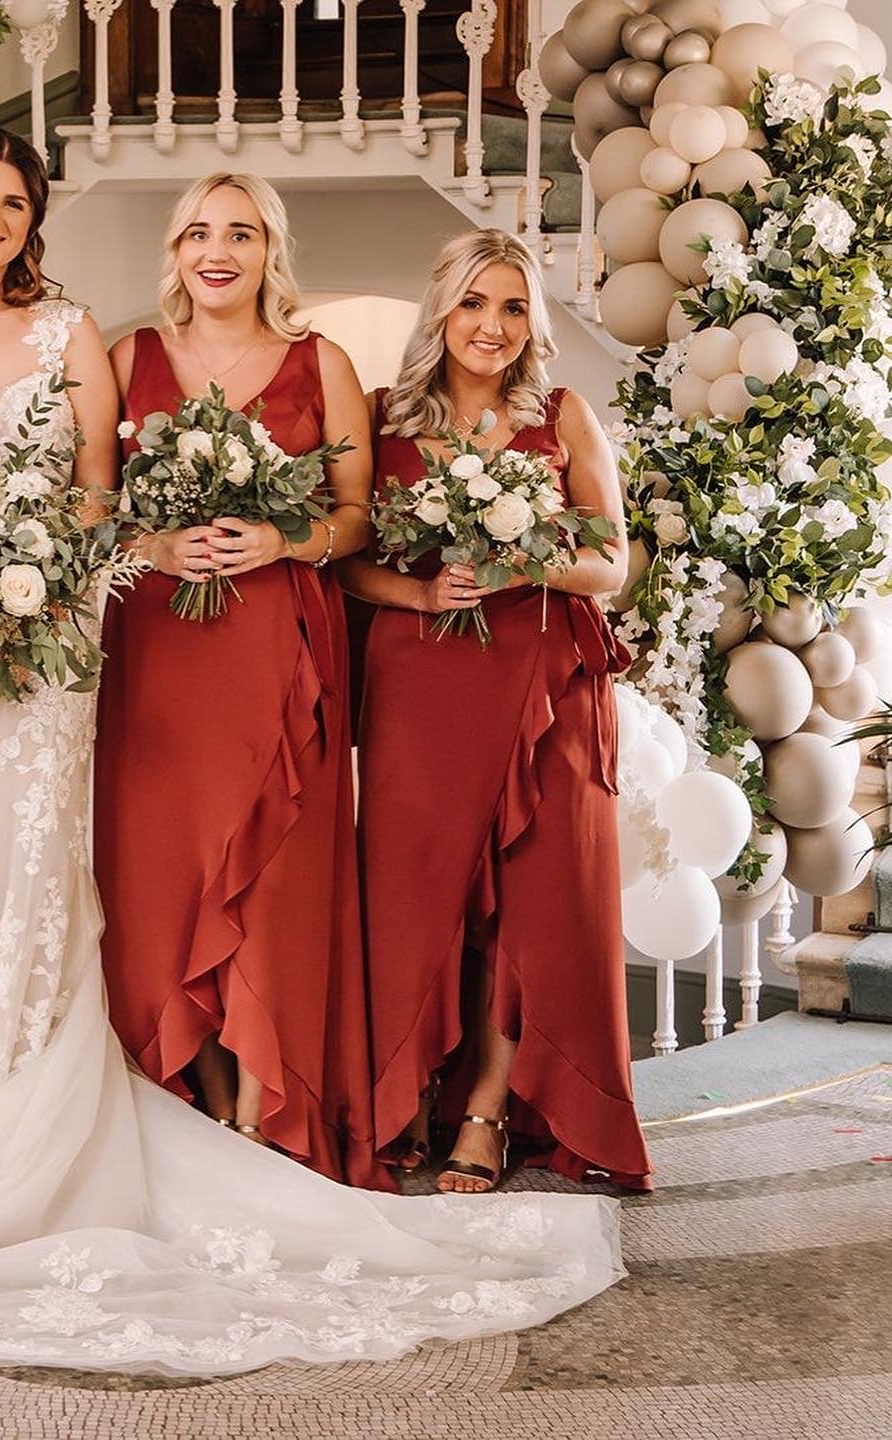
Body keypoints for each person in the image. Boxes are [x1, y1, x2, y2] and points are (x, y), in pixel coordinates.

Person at [0, 136, 625, 1377]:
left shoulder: (73, 335)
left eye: (14, 202)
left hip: (51, 647)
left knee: (51, 875)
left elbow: (97, 498)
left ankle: (59, 1094)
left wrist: (39, 596)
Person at [344, 228, 653, 1194]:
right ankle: (399, 1096)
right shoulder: (376, 417)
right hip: (419, 684)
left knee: (534, 898)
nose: (492, 325)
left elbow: (610, 561)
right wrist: (423, 596)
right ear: (442, 308)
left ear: (533, 324)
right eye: (475, 302)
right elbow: (341, 561)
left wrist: (527, 562)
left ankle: (486, 1105)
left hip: (545, 683)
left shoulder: (562, 416)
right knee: (415, 897)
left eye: (514, 307)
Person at [95, 172, 385, 1188]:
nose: (218, 250)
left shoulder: (324, 362)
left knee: (270, 882)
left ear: (271, 250)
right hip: (160, 656)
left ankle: (269, 1115)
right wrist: (155, 543)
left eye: (242, 233)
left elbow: (357, 518)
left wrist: (277, 537)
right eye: (198, 233)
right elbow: (87, 511)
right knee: (167, 878)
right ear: (174, 252)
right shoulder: (126, 359)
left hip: (276, 651)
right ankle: (194, 1105)